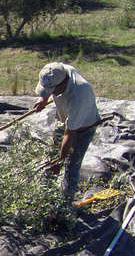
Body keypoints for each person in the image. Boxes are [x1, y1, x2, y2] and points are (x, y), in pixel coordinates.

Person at [31, 62, 101, 200]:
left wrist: (60, 162)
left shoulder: (78, 96)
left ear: (62, 85)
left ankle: (65, 207)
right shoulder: (57, 70)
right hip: (65, 118)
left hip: (83, 127)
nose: (51, 93)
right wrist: (43, 98)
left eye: (52, 91)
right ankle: (43, 196)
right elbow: (48, 88)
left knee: (71, 167)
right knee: (51, 157)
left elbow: (69, 135)